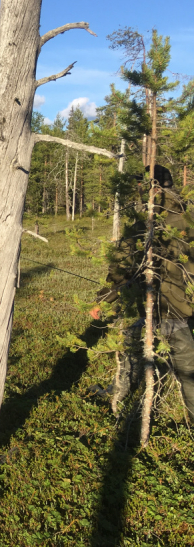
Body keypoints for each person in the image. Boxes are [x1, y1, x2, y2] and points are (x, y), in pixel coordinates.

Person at [90, 165, 194, 420]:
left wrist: (102, 302)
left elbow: (121, 270)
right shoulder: (188, 218)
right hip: (182, 308)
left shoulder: (141, 226)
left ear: (151, 188)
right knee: (185, 368)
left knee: (137, 355)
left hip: (159, 309)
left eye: (141, 186)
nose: (137, 192)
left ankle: (121, 402)